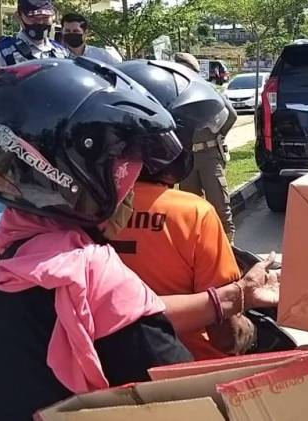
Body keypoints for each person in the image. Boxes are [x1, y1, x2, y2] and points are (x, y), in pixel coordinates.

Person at [0, 57, 279, 421]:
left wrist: (233, 296)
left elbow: (128, 319)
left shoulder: (1, 254)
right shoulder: (90, 274)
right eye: (119, 161)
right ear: (75, 167)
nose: (131, 185)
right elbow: (188, 404)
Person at [113, 59, 255, 360]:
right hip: (187, 369)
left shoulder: (78, 210)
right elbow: (226, 337)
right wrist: (248, 328)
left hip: (102, 368)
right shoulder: (194, 214)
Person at [168, 54, 237, 241]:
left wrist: (218, 134)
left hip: (209, 154)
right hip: (187, 157)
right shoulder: (173, 93)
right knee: (190, 207)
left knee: (220, 205)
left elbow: (231, 115)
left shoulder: (206, 89)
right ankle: (197, 248)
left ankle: (229, 248)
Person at [0, 0, 69, 86]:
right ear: (18, 17)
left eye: (45, 17)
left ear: (53, 16)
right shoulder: (2, 52)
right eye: (33, 18)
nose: (40, 22)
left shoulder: (61, 52)